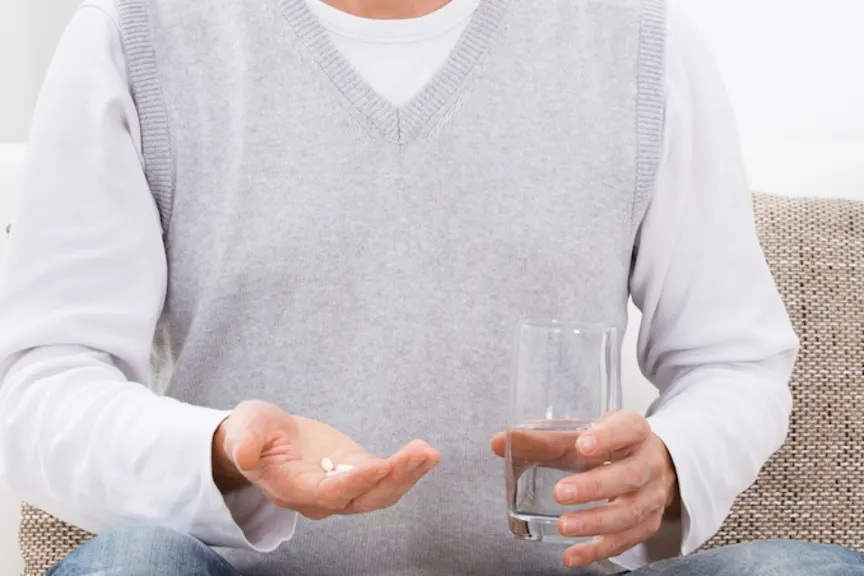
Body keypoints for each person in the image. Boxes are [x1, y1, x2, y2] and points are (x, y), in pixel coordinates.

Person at [0, 0, 862, 574]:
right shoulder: (137, 34)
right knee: (134, 565)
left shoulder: (641, 38)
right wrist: (224, 452)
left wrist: (670, 465)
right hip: (238, 572)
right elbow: (40, 387)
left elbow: (732, 362)